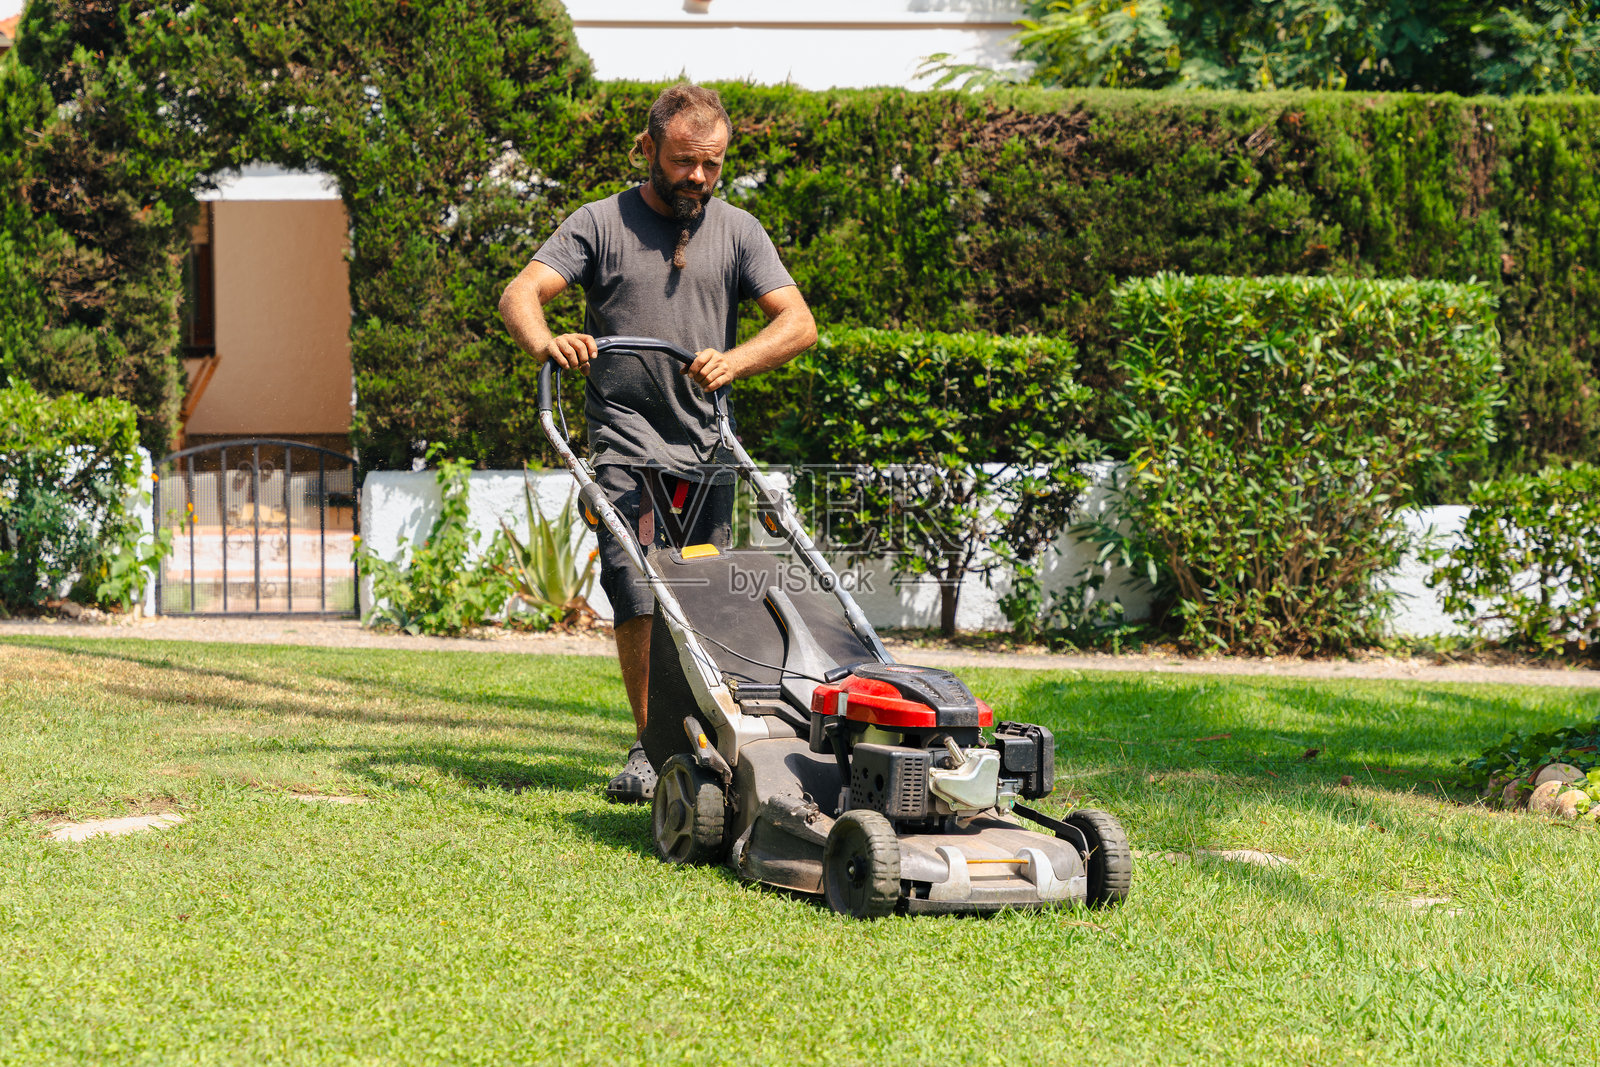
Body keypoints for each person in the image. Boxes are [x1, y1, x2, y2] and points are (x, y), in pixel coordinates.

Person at [499, 83, 817, 804]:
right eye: (682, 162)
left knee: (703, 597)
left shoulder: (738, 231)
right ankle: (652, 747)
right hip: (624, 441)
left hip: (706, 445)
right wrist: (548, 342)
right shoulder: (599, 223)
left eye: (712, 164)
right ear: (646, 149)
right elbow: (520, 294)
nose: (697, 177)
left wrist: (735, 361)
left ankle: (708, 737)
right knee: (635, 587)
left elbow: (797, 323)